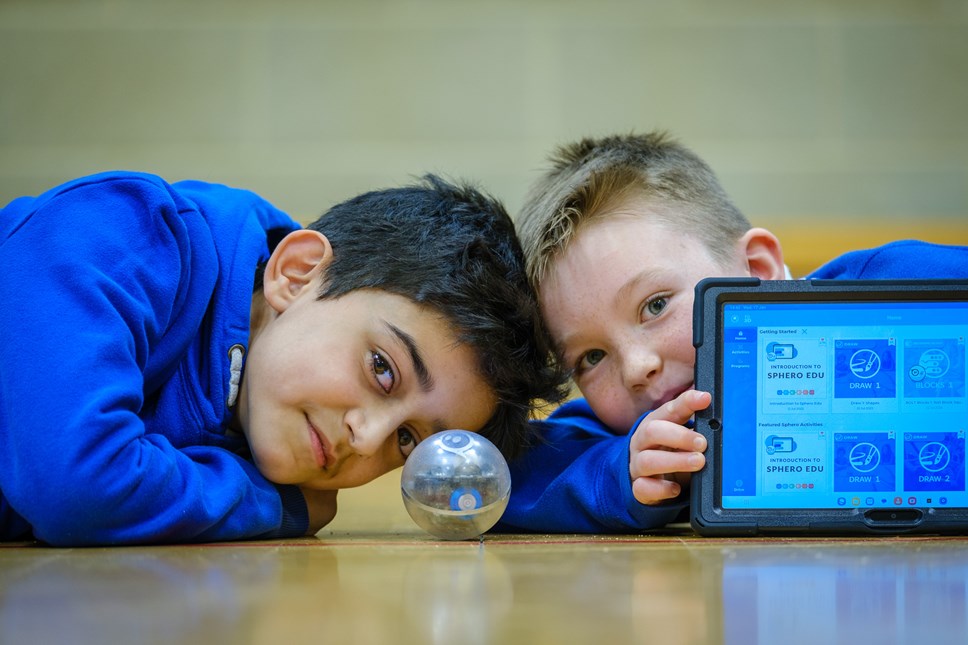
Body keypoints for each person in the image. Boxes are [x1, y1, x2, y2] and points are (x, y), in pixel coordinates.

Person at [0, 171, 567, 546]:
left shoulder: (262, 392)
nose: (367, 441)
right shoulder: (121, 230)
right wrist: (277, 506)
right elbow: (78, 483)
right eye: (382, 369)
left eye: (408, 442)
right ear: (296, 275)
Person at [497, 131, 968, 533]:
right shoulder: (635, 432)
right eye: (592, 357)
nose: (637, 368)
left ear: (759, 269)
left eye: (655, 305)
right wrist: (625, 471)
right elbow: (504, 473)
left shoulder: (894, 282)